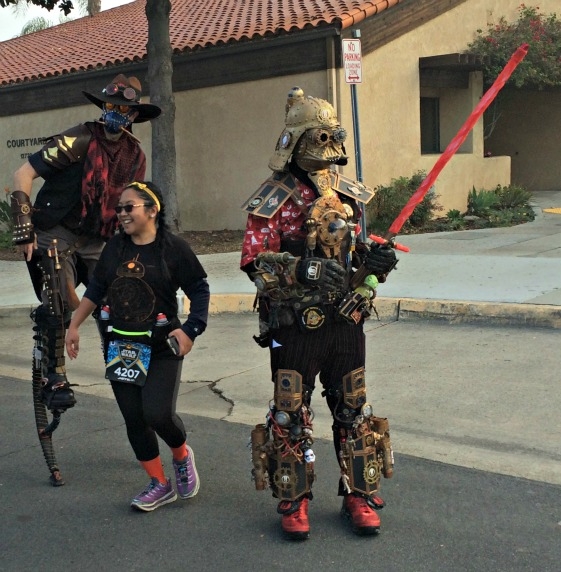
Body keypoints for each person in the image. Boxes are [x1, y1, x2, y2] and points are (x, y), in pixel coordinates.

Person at [242, 87, 398, 540]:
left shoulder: (349, 194)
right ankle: (293, 496)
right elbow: (255, 264)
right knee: (290, 410)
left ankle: (359, 493)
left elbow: (358, 254)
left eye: (333, 135)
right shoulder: (273, 197)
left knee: (353, 405)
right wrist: (303, 268)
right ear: (295, 140)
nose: (329, 146)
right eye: (319, 135)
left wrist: (375, 265)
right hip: (294, 324)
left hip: (347, 318)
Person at [9, 74, 161, 485]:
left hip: (100, 236)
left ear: (134, 116)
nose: (118, 116)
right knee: (60, 286)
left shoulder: (134, 156)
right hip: (55, 229)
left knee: (126, 300)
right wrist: (22, 224)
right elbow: (23, 174)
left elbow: (134, 207)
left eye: (126, 111)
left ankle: (133, 377)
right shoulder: (78, 139)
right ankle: (55, 374)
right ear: (103, 108)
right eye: (112, 108)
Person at [65, 181, 210, 512]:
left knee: (157, 413)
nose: (122, 214)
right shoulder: (115, 249)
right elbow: (97, 287)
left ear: (152, 209)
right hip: (121, 347)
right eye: (119, 209)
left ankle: (181, 454)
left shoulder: (173, 248)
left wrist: (191, 330)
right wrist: (74, 325)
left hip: (162, 346)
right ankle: (159, 484)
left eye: (129, 207)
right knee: (134, 418)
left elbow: (199, 288)